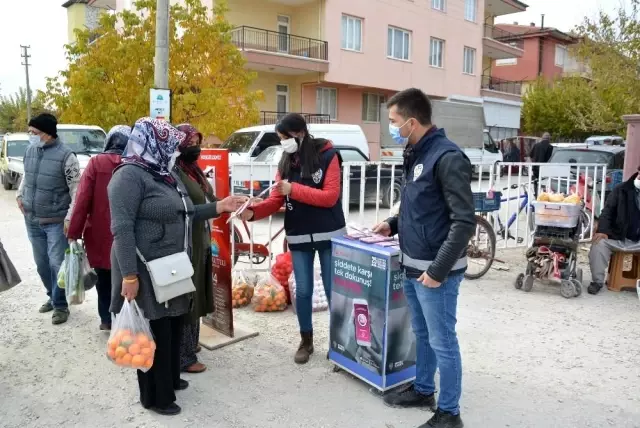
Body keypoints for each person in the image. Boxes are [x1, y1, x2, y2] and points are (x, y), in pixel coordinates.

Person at [108, 118, 246, 416]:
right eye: (169, 146)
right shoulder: (128, 176)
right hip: (145, 269)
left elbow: (185, 211)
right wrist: (129, 275)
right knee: (154, 330)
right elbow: (122, 229)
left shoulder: (162, 174)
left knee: (171, 324)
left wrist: (220, 207)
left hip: (172, 266)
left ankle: (170, 379)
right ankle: (156, 397)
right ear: (152, 143)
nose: (174, 152)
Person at [372, 88, 475, 428]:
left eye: (393, 121)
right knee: (423, 334)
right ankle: (423, 389)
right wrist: (391, 224)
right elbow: (419, 208)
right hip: (412, 263)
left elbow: (464, 222)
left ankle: (449, 413)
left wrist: (438, 270)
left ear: (412, 122)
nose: (391, 127)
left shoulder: (447, 157)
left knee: (443, 341)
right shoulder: (416, 153)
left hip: (436, 272)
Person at [240, 113, 346, 364]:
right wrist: (252, 212)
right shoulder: (286, 162)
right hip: (298, 235)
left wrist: (293, 190)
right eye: (280, 139)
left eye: (284, 137)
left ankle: (339, 342)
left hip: (329, 233)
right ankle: (306, 341)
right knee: (304, 290)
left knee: (334, 291)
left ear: (299, 133)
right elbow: (276, 199)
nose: (282, 143)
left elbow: (330, 196)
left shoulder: (329, 155)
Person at [17, 113, 81, 325]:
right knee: (41, 264)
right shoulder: (30, 150)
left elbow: (76, 190)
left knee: (56, 264)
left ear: (47, 133)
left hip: (55, 221)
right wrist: (19, 194)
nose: (31, 136)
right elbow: (27, 175)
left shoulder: (66, 156)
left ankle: (60, 305)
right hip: (32, 218)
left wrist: (70, 217)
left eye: (34, 132)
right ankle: (51, 296)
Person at [67, 125, 131, 330]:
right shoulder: (135, 163)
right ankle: (126, 319)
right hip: (128, 233)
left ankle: (106, 319)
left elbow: (82, 200)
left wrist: (73, 232)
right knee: (128, 275)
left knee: (104, 277)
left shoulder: (96, 163)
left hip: (99, 233)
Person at [174, 123, 215, 374]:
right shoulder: (174, 172)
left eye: (197, 143)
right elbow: (186, 209)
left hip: (201, 238)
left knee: (199, 290)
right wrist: (219, 208)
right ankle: (183, 356)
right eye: (189, 144)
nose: (195, 148)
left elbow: (210, 198)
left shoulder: (194, 171)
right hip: (187, 242)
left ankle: (191, 345)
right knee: (188, 295)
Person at [587, 167, 640, 295]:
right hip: (617, 236)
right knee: (598, 244)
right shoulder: (621, 189)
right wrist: (603, 230)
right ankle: (597, 282)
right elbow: (607, 211)